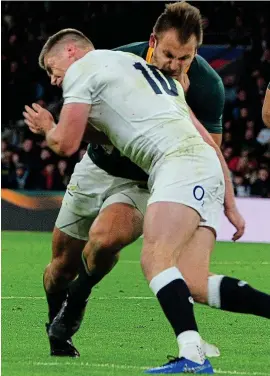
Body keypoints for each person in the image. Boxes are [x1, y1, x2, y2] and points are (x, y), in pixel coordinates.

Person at [24, 29, 270, 374]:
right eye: (169, 55)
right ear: (153, 44)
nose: (175, 64)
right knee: (61, 266)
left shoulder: (206, 85)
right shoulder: (123, 59)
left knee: (113, 242)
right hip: (99, 167)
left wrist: (50, 128)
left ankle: (81, 302)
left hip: (154, 175)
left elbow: (207, 141)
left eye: (184, 58)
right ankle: (58, 322)